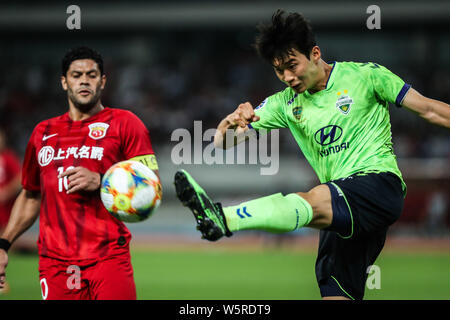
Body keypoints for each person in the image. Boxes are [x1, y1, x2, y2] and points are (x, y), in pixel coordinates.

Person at [174, 10, 450, 300]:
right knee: (335, 293)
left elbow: (429, 109)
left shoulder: (366, 76)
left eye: (292, 65)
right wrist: (230, 124)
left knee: (309, 199)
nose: (288, 77)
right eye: (279, 70)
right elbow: (223, 143)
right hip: (341, 211)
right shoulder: (284, 103)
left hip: (378, 186)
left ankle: (224, 218)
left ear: (315, 53)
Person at [0, 46, 160, 300]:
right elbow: (31, 195)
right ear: (64, 82)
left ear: (103, 81)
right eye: (76, 75)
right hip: (55, 263)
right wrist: (4, 243)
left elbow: (152, 184)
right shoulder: (42, 133)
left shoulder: (125, 123)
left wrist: (102, 181)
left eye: (92, 74)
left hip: (108, 257)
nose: (84, 80)